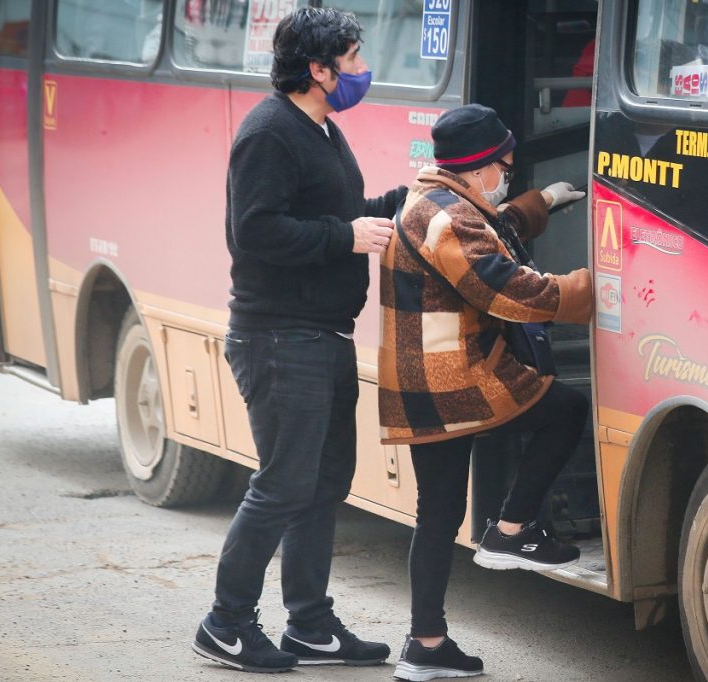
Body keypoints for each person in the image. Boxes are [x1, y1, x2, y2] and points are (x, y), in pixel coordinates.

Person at [192, 7, 406, 674]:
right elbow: (254, 232)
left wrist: (404, 201)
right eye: (352, 58)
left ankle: (309, 625)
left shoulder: (321, 129)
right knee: (284, 485)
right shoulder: (269, 133)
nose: (361, 70)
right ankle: (225, 623)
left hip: (321, 334)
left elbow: (334, 217)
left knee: (322, 484)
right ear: (317, 70)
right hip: (280, 339)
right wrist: (346, 237)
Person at [378, 104, 592, 681]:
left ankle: (425, 646)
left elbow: (493, 229)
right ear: (477, 170)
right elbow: (502, 285)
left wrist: (541, 203)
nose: (508, 174)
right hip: (454, 381)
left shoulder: (435, 201)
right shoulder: (450, 219)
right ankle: (512, 530)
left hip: (421, 384)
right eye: (504, 165)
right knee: (568, 409)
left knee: (438, 514)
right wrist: (591, 291)